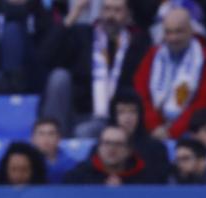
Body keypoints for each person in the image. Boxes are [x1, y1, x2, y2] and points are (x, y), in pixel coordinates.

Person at [40, 0, 150, 138]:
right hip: (80, 113)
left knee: (84, 132)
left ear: (128, 15)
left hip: (118, 117)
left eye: (117, 11)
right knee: (59, 77)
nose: (110, 16)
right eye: (107, 9)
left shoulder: (138, 43)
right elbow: (46, 56)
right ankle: (51, 137)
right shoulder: (83, 35)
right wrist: (72, 16)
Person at [132, 5, 206, 140]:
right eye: (168, 32)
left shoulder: (204, 59)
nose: (173, 38)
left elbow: (203, 103)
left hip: (189, 132)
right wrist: (154, 125)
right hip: (152, 129)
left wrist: (172, 131)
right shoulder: (154, 55)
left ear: (191, 31)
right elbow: (140, 92)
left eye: (179, 32)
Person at [62, 123, 162, 185]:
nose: (111, 149)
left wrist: (125, 193)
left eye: (118, 144)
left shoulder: (145, 179)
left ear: (129, 150)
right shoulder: (78, 176)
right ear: (99, 147)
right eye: (107, 143)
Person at [109, 88, 168, 181]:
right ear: (113, 116)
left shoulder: (156, 149)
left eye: (133, 111)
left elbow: (158, 183)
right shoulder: (103, 147)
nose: (127, 118)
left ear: (140, 115)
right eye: (121, 112)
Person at [29, 117, 75, 183]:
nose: (46, 138)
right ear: (32, 139)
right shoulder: (25, 166)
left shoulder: (72, 166)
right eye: (41, 134)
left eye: (51, 134)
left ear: (59, 138)